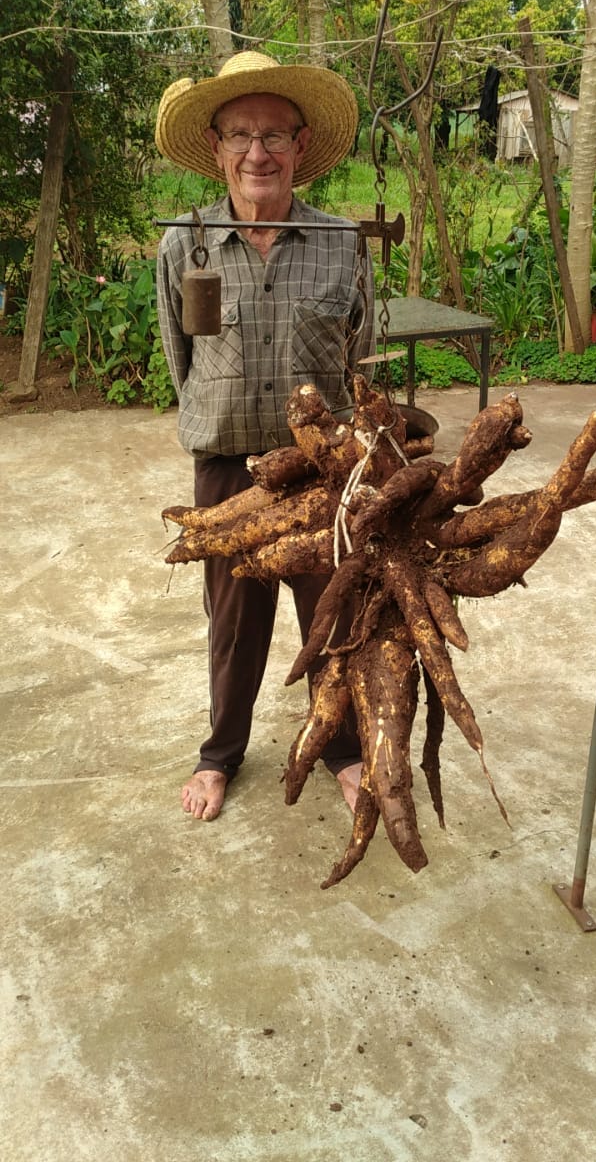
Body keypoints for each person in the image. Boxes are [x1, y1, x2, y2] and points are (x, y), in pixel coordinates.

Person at [154, 51, 375, 822]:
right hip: (228, 467)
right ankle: (221, 754)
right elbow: (184, 362)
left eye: (275, 135)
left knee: (333, 614)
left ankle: (342, 749)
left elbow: (357, 351)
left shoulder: (343, 241)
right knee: (234, 619)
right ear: (215, 146)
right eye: (241, 134)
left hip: (323, 471)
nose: (259, 153)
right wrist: (223, 427)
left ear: (301, 145)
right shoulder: (186, 245)